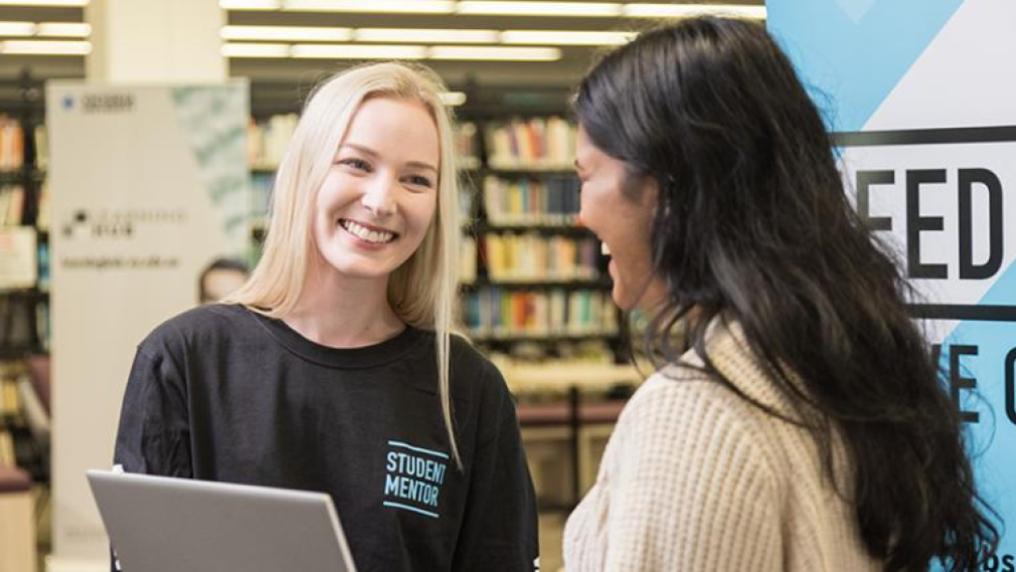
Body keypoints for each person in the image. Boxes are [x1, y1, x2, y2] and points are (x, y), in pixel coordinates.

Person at [564, 17, 999, 571]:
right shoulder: (843, 368)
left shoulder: (697, 415)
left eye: (586, 175)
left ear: (664, 188)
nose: (580, 214)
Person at [113, 62, 538, 571]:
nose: (382, 201)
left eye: (416, 179)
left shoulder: (467, 390)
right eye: (357, 164)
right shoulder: (184, 360)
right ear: (305, 171)